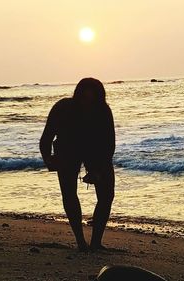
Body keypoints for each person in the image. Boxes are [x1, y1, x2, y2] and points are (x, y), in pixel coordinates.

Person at [40, 78, 115, 251]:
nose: (86, 103)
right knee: (69, 194)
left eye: (91, 99)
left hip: (96, 151)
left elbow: (109, 144)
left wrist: (98, 170)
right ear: (77, 96)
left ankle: (96, 242)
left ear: (99, 98)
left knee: (107, 195)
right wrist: (48, 159)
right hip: (68, 150)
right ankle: (81, 242)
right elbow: (46, 137)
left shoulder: (103, 111)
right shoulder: (62, 109)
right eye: (83, 98)